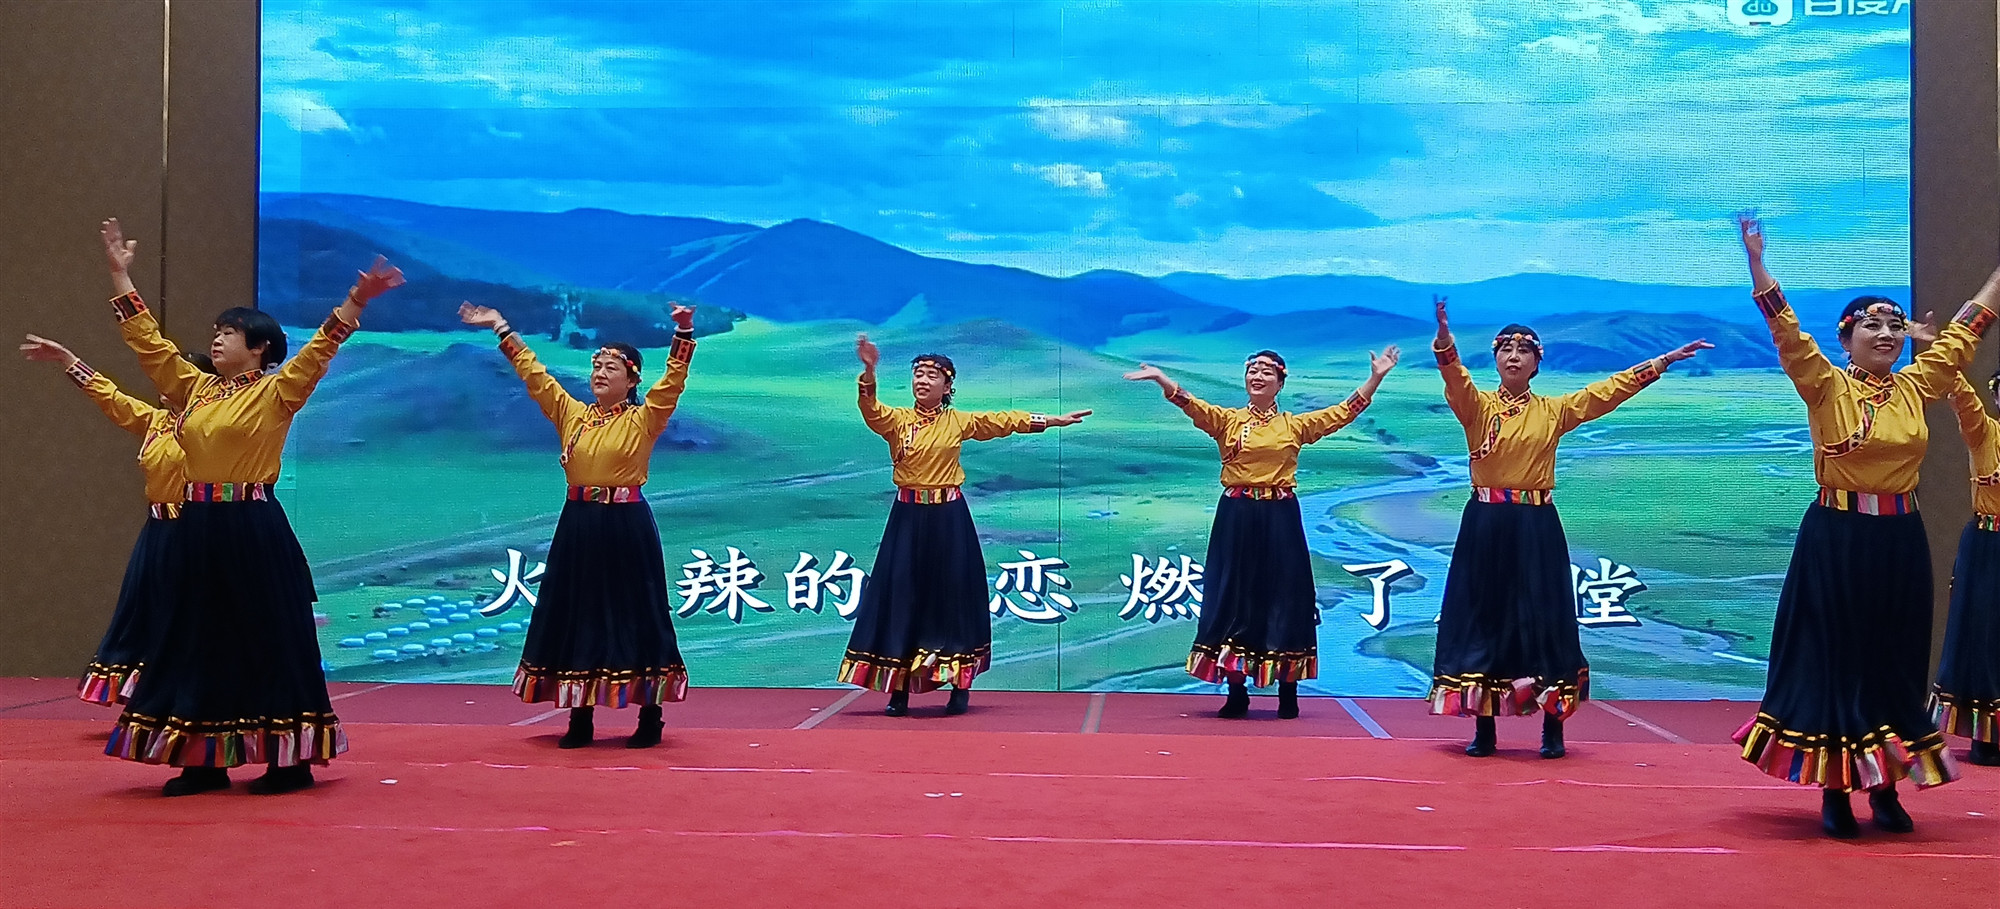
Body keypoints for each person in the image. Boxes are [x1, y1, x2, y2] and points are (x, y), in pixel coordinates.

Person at [97, 217, 404, 795]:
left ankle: (288, 760)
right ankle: (203, 760)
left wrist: (356, 299)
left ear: (260, 348)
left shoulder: (277, 391)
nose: (217, 340)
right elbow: (148, 343)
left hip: (252, 527)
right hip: (197, 528)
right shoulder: (193, 389)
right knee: (193, 637)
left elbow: (322, 347)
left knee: (269, 635)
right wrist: (120, 276)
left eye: (231, 333)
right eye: (216, 331)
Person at [1731, 212, 1999, 837]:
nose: (1885, 334)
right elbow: (1785, 328)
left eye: (1894, 325)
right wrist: (1757, 262)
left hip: (1899, 542)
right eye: (1870, 325)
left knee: (1894, 659)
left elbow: (1967, 332)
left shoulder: (1916, 387)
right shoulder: (1824, 384)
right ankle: (1835, 789)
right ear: (1846, 338)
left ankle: (1886, 787)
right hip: (1837, 538)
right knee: (1839, 659)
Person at [1428, 294, 1710, 759]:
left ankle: (1553, 728)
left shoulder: (1554, 410)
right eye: (1506, 349)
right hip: (1485, 523)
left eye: (1524, 350)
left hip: (1536, 525)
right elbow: (1454, 375)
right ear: (1495, 359)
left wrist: (1662, 361)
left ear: (1537, 363)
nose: (1514, 357)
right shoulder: (1476, 407)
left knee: (1546, 618)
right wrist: (1444, 336)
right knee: (1483, 616)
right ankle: (1484, 728)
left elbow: (1608, 391)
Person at [459, 300, 697, 749]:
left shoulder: (645, 418)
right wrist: (500, 326)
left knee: (638, 614)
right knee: (578, 614)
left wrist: (683, 332)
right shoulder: (573, 414)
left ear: (632, 379)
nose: (600, 374)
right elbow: (535, 376)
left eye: (611, 368)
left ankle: (650, 715)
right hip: (579, 526)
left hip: (627, 527)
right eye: (596, 366)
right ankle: (580, 714)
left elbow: (673, 381)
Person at [1123, 347, 1398, 718]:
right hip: (1237, 517)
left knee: (1286, 596)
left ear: (1280, 382)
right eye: (1252, 370)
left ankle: (1288, 690)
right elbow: (1189, 403)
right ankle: (1237, 691)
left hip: (1280, 518)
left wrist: (1376, 377)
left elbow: (1343, 412)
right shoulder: (1227, 421)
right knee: (1234, 598)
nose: (1257, 376)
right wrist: (1161, 378)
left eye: (1267, 371)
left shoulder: (1294, 426)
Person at [838, 335, 1089, 716]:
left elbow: (1004, 422)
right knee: (901, 595)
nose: (922, 381)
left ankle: (959, 686)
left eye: (931, 376)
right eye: (918, 375)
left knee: (953, 596)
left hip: (949, 519)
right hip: (907, 518)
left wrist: (1052, 420)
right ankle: (899, 691)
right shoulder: (897, 421)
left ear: (947, 386)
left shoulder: (959, 422)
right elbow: (870, 409)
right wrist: (869, 371)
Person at [19, 334, 213, 705]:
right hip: (157, 532)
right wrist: (68, 360)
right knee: (144, 608)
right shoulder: (155, 422)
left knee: (186, 612)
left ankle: (191, 692)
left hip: (195, 531)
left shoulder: (210, 429)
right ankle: (147, 688)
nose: (165, 385)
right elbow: (111, 397)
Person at [1936, 369, 2000, 767]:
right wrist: (1947, 357)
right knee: (1985, 638)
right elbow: (1960, 394)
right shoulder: (1984, 432)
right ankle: (1987, 736)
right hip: (1990, 547)